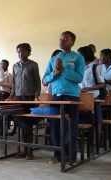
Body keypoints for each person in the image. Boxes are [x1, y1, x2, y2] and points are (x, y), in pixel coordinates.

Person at [43, 31, 85, 163]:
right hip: (56, 97)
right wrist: (54, 74)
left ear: (72, 42)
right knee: (55, 127)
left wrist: (64, 70)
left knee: (70, 127)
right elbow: (45, 79)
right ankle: (57, 155)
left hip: (71, 96)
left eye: (65, 39)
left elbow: (79, 78)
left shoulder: (78, 58)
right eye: (60, 38)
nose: (61, 41)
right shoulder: (54, 58)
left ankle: (70, 156)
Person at [9, 43, 41, 160]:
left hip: (29, 97)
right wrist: (11, 95)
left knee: (28, 124)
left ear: (28, 52)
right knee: (21, 124)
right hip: (18, 97)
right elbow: (13, 82)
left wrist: (37, 94)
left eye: (22, 51)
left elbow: (37, 81)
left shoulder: (33, 65)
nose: (20, 53)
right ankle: (23, 150)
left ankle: (29, 151)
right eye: (18, 51)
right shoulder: (15, 65)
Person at [78, 46, 104, 139]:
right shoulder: (81, 67)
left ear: (85, 55)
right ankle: (83, 136)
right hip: (81, 95)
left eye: (80, 55)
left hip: (93, 95)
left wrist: (88, 88)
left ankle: (97, 138)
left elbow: (102, 84)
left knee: (95, 117)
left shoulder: (96, 66)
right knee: (81, 116)